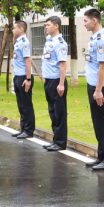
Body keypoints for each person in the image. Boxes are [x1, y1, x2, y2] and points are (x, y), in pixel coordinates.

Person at [83, 9, 104, 171]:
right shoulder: (95, 38)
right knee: (97, 123)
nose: (84, 24)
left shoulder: (101, 39)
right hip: (93, 84)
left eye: (85, 20)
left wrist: (98, 90)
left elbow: (103, 66)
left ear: (94, 20)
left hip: (99, 86)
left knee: (102, 123)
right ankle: (102, 156)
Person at [40, 16, 69, 151]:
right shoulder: (50, 40)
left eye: (48, 25)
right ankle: (56, 140)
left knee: (59, 113)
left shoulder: (60, 43)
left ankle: (60, 142)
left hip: (57, 81)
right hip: (49, 81)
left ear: (56, 26)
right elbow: (46, 34)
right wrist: (45, 29)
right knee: (52, 112)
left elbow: (63, 64)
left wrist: (61, 84)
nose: (46, 27)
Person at [12, 20, 36, 139]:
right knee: (21, 105)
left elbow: (28, 61)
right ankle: (23, 128)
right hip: (18, 75)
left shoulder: (24, 43)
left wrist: (28, 78)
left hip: (24, 77)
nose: (12, 30)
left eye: (14, 28)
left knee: (26, 105)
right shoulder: (18, 42)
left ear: (21, 29)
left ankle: (29, 130)